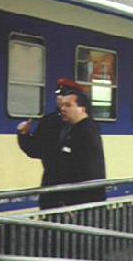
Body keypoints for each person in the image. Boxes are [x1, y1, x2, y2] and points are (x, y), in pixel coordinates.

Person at [17, 78, 85, 207]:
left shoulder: (82, 124)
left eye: (64, 94)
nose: (59, 98)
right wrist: (24, 135)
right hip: (51, 180)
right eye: (59, 94)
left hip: (73, 185)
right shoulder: (49, 121)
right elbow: (35, 149)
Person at [51, 89, 107, 207]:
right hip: (75, 197)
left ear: (82, 109)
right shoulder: (71, 128)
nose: (63, 109)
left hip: (83, 199)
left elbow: (85, 168)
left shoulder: (86, 130)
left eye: (68, 105)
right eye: (62, 105)